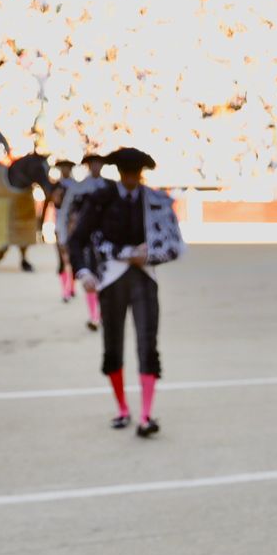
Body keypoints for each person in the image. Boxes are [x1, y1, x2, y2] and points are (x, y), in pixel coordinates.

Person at [66, 147, 183, 436]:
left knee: (147, 342)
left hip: (143, 277)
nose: (131, 179)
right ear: (120, 174)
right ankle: (123, 409)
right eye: (127, 173)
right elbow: (78, 239)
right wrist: (83, 271)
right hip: (111, 279)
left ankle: (145, 415)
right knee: (113, 344)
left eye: (135, 174)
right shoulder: (100, 199)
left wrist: (150, 255)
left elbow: (173, 244)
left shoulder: (153, 200)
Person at [65, 152, 110, 329]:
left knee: (106, 275)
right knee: (90, 273)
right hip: (86, 239)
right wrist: (63, 235)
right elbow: (68, 212)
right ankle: (95, 316)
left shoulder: (109, 186)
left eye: (98, 163)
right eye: (93, 163)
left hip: (108, 239)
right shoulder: (79, 187)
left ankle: (102, 314)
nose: (96, 167)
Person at [47, 157, 80, 303]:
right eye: (63, 168)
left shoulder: (77, 186)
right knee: (62, 260)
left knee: (73, 259)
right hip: (60, 225)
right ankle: (65, 290)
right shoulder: (56, 186)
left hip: (73, 227)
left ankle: (71, 287)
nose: (65, 171)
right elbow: (50, 204)